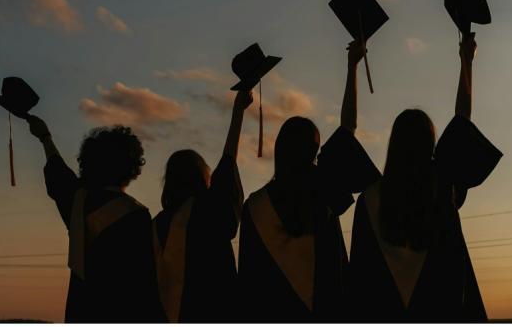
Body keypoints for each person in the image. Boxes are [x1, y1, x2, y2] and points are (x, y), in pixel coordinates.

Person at [347, 33, 503, 321]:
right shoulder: (442, 188)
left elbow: (359, 277)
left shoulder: (369, 200)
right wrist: (466, 62)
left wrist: (351, 67)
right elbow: (462, 123)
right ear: (430, 145)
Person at [237, 41, 380, 322]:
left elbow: (248, 280)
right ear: (314, 152)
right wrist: (352, 66)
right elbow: (347, 129)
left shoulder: (254, 207)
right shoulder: (323, 185)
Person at [26, 116, 165, 323]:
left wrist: (45, 137)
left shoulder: (78, 202)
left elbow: (58, 174)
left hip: (81, 312)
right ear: (131, 166)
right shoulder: (137, 216)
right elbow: (146, 284)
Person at [152, 88, 253, 322]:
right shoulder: (207, 210)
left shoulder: (156, 225)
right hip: (214, 311)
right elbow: (227, 165)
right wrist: (237, 113)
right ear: (202, 178)